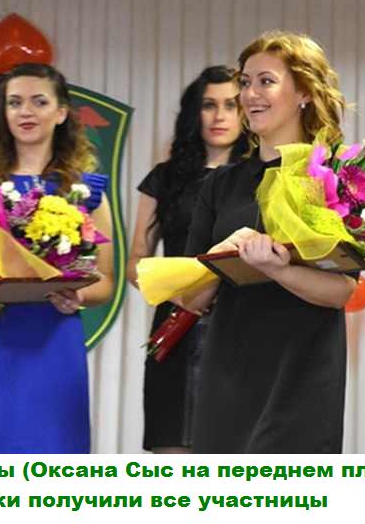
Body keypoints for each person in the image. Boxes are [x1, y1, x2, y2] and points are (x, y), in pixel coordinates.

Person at [183, 31, 358, 453]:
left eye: (266, 81)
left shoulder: (332, 178)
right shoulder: (220, 185)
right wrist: (223, 257)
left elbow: (341, 291)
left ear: (304, 93)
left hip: (304, 372)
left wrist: (278, 269)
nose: (250, 94)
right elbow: (191, 297)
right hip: (228, 368)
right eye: (245, 82)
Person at [0, 63, 114, 453]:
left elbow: (105, 282)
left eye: (39, 101)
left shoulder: (86, 192)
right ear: (2, 112)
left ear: (61, 112)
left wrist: (78, 295)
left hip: (55, 341)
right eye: (15, 102)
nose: (26, 111)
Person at [127, 66, 246, 453]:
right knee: (173, 451)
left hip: (241, 328)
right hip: (176, 325)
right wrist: (179, 294)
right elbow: (136, 262)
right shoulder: (165, 178)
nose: (219, 116)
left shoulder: (260, 179)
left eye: (230, 105)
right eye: (209, 105)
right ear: (194, 113)